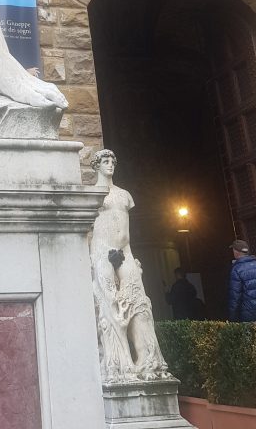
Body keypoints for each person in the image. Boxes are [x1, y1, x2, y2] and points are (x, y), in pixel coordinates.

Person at [90, 149, 170, 382]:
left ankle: (148, 360)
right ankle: (119, 364)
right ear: (96, 165)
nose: (110, 164)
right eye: (105, 161)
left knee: (139, 302)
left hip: (125, 251)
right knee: (110, 304)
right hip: (102, 250)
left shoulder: (124, 195)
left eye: (112, 161)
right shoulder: (92, 194)